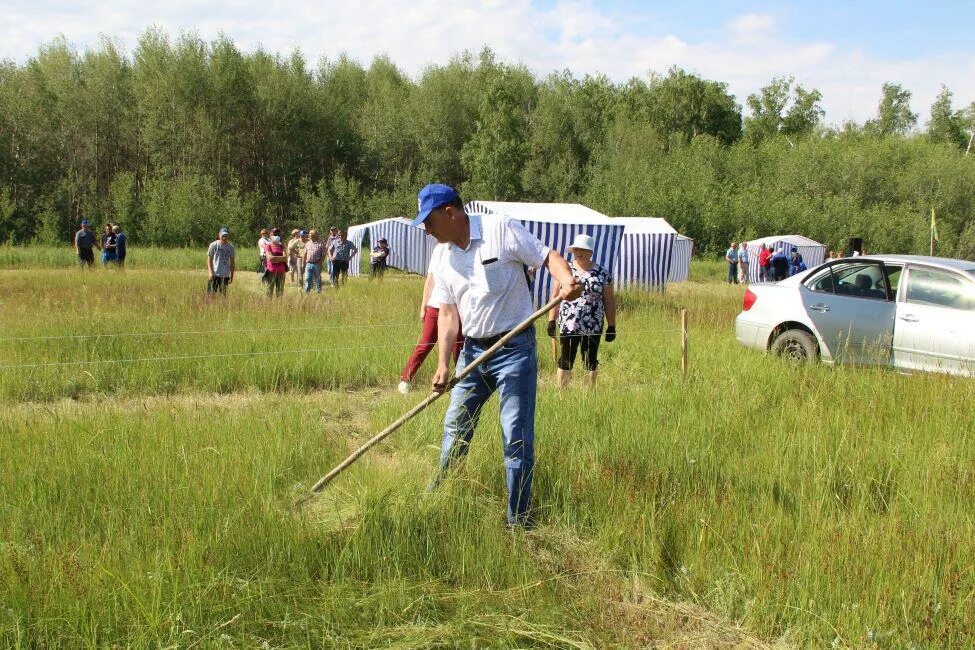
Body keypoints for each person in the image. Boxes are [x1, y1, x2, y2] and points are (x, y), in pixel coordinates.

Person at [415, 183, 581, 528]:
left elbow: (547, 256)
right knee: (455, 425)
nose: (426, 230)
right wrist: (444, 364)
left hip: (514, 348)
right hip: (472, 352)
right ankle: (441, 496)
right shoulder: (442, 256)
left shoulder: (499, 229)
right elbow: (447, 315)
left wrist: (565, 279)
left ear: (450, 212)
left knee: (515, 433)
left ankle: (518, 519)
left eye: (429, 221)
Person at [547, 233, 617, 388]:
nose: (579, 253)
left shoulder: (602, 273)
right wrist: (551, 320)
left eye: (583, 250)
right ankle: (562, 395)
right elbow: (555, 296)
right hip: (569, 323)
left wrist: (612, 325)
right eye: (576, 249)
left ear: (591, 252)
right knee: (566, 359)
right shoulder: (565, 271)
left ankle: (589, 395)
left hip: (594, 323)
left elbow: (609, 300)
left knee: (590, 360)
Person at [397, 243, 464, 394]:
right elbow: (430, 280)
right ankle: (405, 379)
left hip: (456, 307)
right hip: (435, 306)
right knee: (426, 343)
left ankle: (462, 381)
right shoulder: (439, 249)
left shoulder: (464, 247)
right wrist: (423, 306)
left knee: (458, 345)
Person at [206, 228, 236, 295]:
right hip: (214, 275)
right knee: (210, 295)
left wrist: (232, 276)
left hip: (225, 276)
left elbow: (232, 262)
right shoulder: (213, 245)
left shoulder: (231, 247)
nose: (224, 238)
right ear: (219, 235)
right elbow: (209, 259)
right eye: (223, 236)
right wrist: (210, 272)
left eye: (226, 236)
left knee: (223, 296)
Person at [302, 228, 327, 293]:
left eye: (311, 233)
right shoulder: (307, 243)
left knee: (317, 279)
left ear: (315, 235)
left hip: (317, 264)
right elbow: (305, 254)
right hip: (308, 264)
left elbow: (324, 254)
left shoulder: (321, 243)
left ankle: (318, 291)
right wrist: (303, 264)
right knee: (307, 278)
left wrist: (320, 262)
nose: (309, 234)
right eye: (309, 233)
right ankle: (307, 292)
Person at [265, 231, 287, 297]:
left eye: (277, 234)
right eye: (274, 234)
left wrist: (275, 258)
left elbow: (285, 258)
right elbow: (270, 258)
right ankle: (269, 305)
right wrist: (281, 258)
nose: (275, 236)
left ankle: (278, 305)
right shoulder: (268, 246)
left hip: (281, 271)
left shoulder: (281, 246)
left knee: (280, 291)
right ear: (270, 236)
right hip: (271, 271)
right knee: (269, 290)